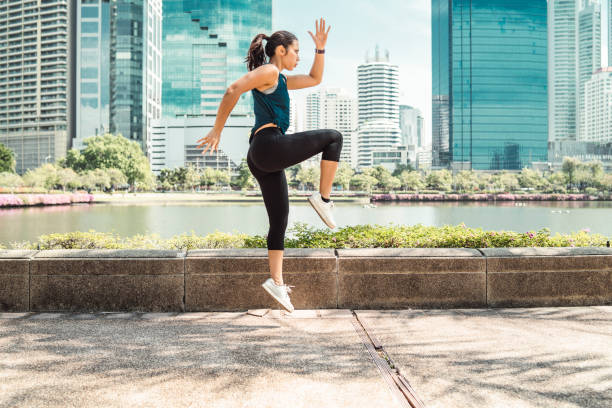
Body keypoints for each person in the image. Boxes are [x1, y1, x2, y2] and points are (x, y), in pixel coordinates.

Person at [196, 18, 342, 313]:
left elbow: (314, 79)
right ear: (280, 50)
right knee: (334, 138)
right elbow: (232, 89)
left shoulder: (282, 80)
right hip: (268, 144)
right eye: (296, 51)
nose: (298, 57)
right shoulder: (270, 70)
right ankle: (323, 198)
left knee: (280, 219)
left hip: (263, 156)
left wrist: (320, 50)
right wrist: (217, 130)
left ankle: (276, 282)